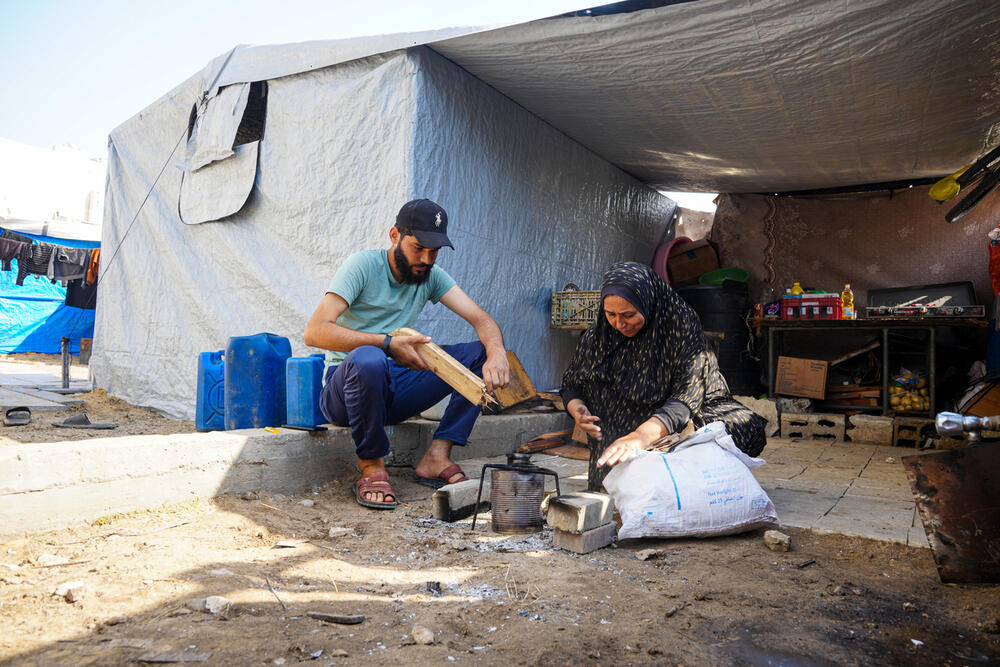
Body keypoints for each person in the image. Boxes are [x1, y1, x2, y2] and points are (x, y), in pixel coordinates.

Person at [304, 199, 510, 510]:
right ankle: (372, 466)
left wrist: (497, 353)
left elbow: (481, 319)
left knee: (478, 353)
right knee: (369, 358)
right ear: (394, 236)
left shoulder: (431, 275)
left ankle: (437, 455)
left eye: (434, 251)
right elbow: (315, 332)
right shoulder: (362, 266)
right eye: (418, 248)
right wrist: (386, 344)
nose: (426, 259)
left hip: (395, 386)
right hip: (346, 390)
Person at [560, 261, 766, 470]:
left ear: (648, 304)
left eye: (629, 315)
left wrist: (639, 436)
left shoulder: (681, 327)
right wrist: (578, 409)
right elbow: (572, 383)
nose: (619, 324)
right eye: (610, 314)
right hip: (636, 413)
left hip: (691, 409)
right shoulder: (599, 335)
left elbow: (687, 396)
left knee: (742, 427)